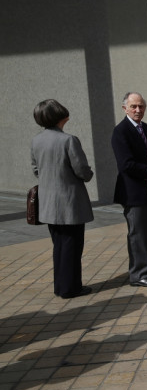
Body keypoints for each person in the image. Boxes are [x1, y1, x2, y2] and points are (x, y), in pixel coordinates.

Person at [31, 99, 94, 299]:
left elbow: (36, 170)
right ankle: (70, 288)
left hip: (48, 202)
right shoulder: (69, 140)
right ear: (60, 116)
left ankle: (61, 285)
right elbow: (82, 170)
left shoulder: (36, 141)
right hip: (70, 202)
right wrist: (88, 175)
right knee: (72, 246)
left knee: (59, 246)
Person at [111, 92, 147, 288]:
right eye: (133, 107)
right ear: (125, 109)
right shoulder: (120, 131)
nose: (138, 110)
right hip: (132, 191)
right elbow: (126, 165)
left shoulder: (145, 128)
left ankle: (144, 265)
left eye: (141, 106)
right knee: (137, 233)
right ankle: (138, 274)